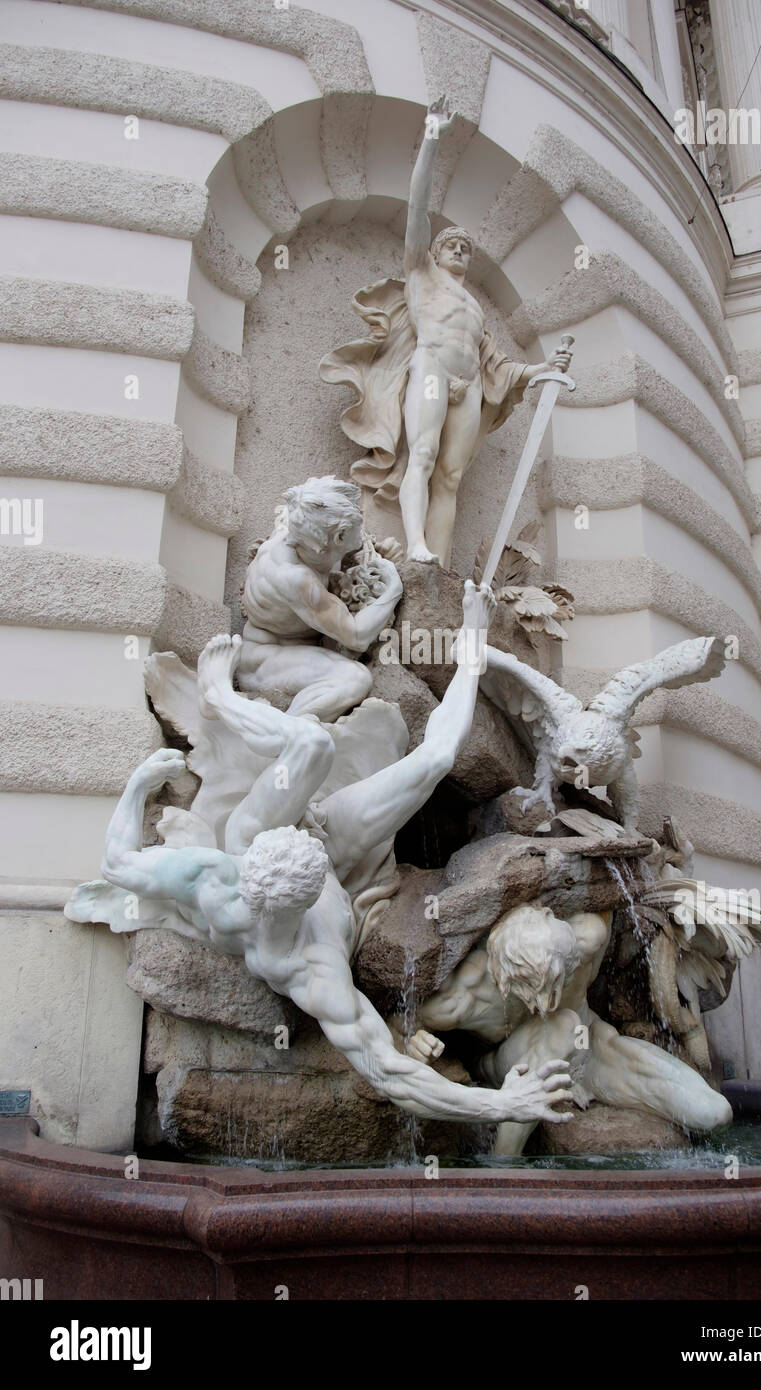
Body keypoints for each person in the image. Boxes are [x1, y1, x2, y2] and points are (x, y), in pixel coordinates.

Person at [97, 585, 574, 1128]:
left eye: (303, 834)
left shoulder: (221, 870)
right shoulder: (306, 966)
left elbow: (117, 863)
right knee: (422, 758)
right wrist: (501, 1105)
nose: (309, 822)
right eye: (304, 837)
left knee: (340, 750)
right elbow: (390, 1072)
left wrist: (137, 787)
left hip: (273, 838)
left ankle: (220, 697)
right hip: (317, 855)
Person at [320, 98, 571, 568]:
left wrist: (540, 369)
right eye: (450, 244)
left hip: (469, 383)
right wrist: (432, 138)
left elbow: (496, 364)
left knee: (450, 477)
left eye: (465, 248)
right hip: (432, 369)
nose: (458, 249)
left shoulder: (474, 308)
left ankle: (441, 563)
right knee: (423, 454)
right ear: (434, 252)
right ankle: (414, 546)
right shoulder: (422, 275)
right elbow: (417, 210)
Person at [406, 899, 732, 1154]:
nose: (545, 1003)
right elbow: (401, 1023)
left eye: (557, 982)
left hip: (588, 1050)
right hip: (509, 1067)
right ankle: (503, 1161)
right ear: (504, 976)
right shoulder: (459, 999)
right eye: (534, 991)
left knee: (713, 1113)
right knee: (562, 1023)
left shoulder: (587, 937)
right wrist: (412, 1041)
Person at [237, 475, 402, 722]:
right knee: (355, 678)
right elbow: (356, 636)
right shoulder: (295, 578)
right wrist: (394, 588)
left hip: (301, 648)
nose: (363, 528)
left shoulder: (302, 529)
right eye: (356, 529)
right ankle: (289, 734)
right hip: (265, 660)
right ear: (338, 538)